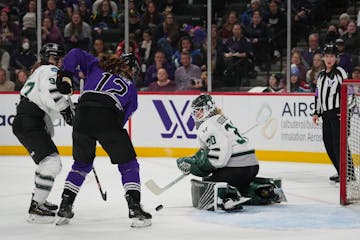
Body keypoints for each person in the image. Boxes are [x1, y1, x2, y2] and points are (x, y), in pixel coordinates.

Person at [56, 49, 152, 228]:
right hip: (108, 116)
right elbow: (120, 120)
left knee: (81, 165)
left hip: (82, 115)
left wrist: (66, 74)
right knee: (128, 163)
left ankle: (65, 206)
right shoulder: (131, 88)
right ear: (131, 70)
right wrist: (104, 130)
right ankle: (135, 209)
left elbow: (76, 52)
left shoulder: (96, 67)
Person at [11, 43, 74, 223]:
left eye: (59, 57)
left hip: (29, 120)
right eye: (56, 57)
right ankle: (36, 207)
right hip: (30, 122)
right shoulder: (50, 70)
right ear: (50, 58)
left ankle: (40, 200)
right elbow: (52, 94)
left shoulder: (39, 71)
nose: (58, 61)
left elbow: (46, 100)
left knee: (48, 163)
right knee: (52, 163)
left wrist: (68, 110)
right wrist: (66, 110)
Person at [176, 94, 268, 211]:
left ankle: (229, 198)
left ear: (208, 109)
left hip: (237, 170)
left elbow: (219, 156)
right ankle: (259, 190)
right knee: (234, 181)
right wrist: (196, 158)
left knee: (208, 183)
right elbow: (209, 149)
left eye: (199, 111)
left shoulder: (206, 125)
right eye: (195, 112)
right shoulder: (222, 119)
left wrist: (197, 166)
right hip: (253, 167)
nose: (196, 115)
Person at [312, 44, 354, 183]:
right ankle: (340, 170)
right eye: (327, 56)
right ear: (323, 58)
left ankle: (348, 173)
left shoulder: (340, 72)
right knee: (328, 143)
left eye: (332, 56)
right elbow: (318, 95)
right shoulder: (321, 75)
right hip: (326, 114)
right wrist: (317, 112)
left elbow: (349, 91)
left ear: (336, 58)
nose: (329, 59)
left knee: (339, 144)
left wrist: (345, 110)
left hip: (338, 114)